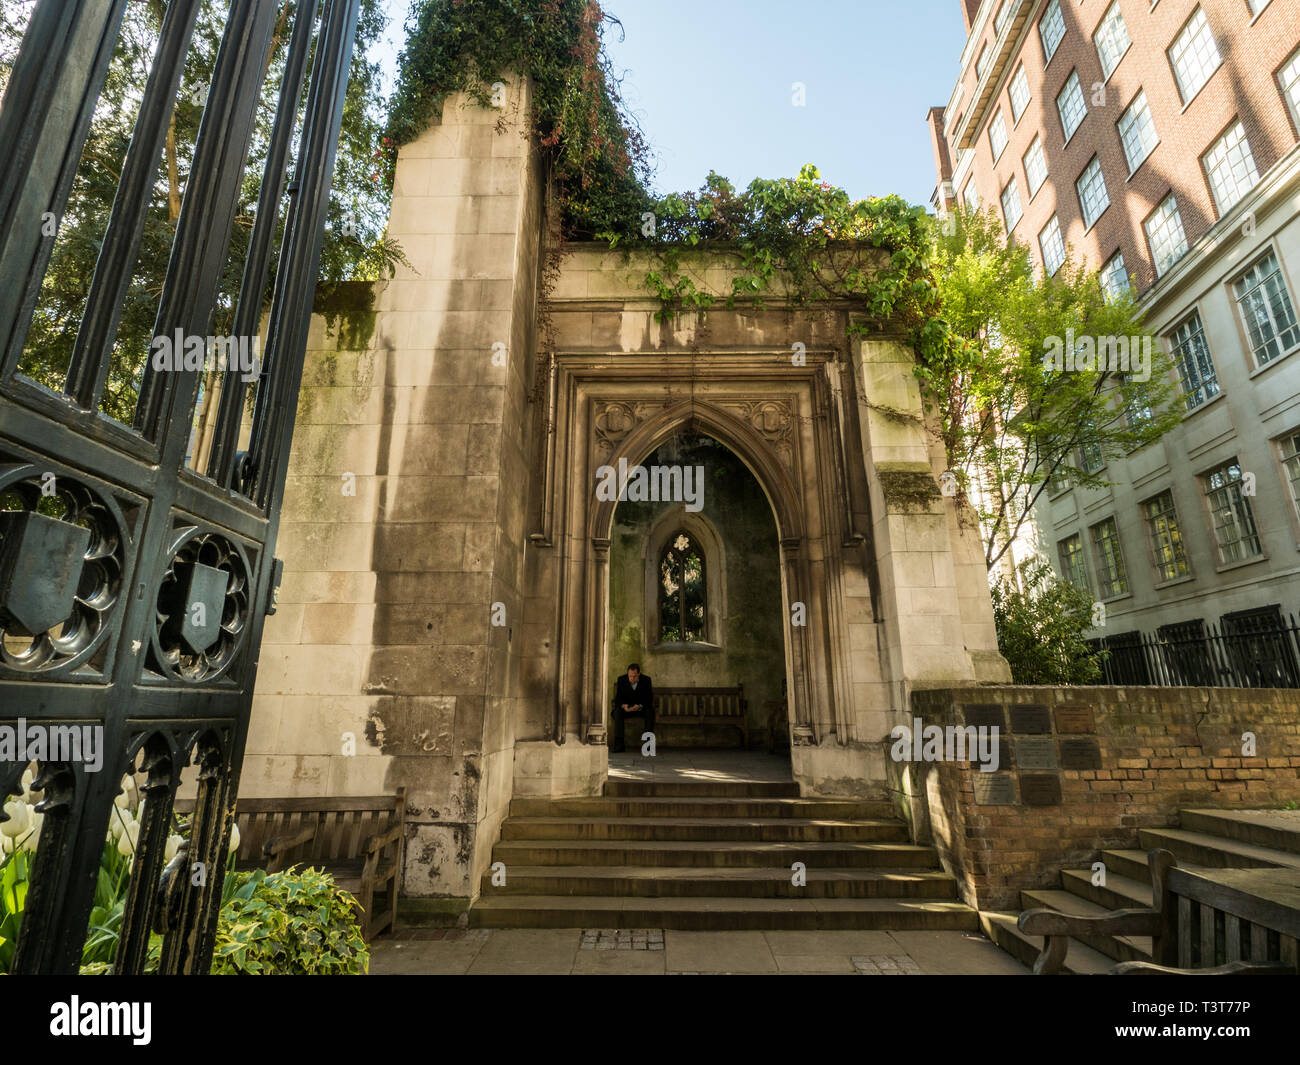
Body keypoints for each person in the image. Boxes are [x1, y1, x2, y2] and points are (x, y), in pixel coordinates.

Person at [611, 663, 655, 754]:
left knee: (650, 712)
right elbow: (618, 698)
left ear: (639, 674)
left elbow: (649, 698)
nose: (631, 679)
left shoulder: (646, 680)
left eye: (634, 676)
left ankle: (648, 746)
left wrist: (639, 706)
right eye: (630, 676)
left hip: (640, 709)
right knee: (617, 712)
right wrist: (624, 706)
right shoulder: (621, 679)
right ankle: (619, 745)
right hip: (627, 709)